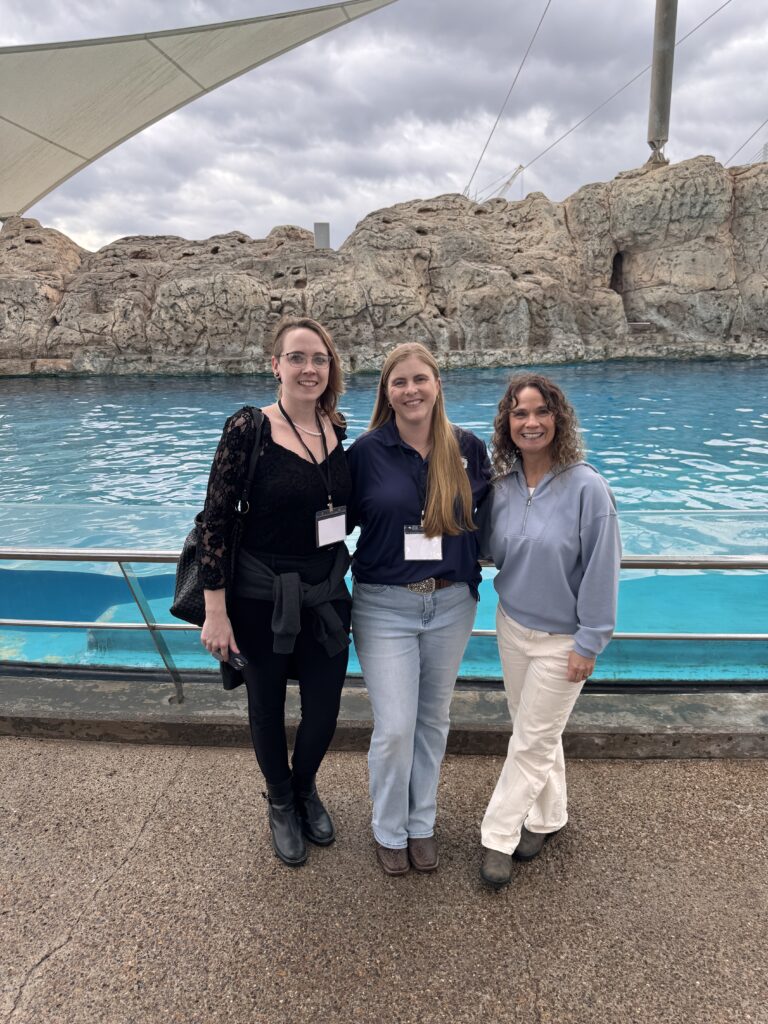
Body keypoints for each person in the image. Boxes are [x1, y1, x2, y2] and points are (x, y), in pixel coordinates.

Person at [198, 315, 352, 868]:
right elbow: (214, 520)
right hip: (261, 593)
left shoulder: (338, 427)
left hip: (326, 592)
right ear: (276, 365)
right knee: (265, 707)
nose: (309, 368)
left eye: (319, 359)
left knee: (326, 709)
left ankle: (306, 785)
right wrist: (216, 613)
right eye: (297, 357)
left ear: (330, 367)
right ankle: (281, 800)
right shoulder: (249, 429)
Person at [347, 342, 491, 876]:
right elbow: (332, 520)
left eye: (420, 379)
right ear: (387, 392)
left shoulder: (468, 449)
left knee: (434, 720)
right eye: (399, 382)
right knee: (395, 726)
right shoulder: (365, 453)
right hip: (385, 606)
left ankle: (421, 823)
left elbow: (492, 517)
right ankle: (389, 826)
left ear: (437, 385)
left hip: (452, 603)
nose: (411, 390)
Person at [478, 373, 621, 890]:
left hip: (564, 640)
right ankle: (547, 817)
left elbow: (603, 568)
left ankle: (498, 835)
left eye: (541, 412)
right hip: (512, 626)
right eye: (519, 413)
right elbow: (487, 550)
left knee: (532, 739)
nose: (531, 422)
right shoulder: (501, 487)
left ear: (558, 419)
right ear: (507, 424)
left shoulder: (588, 486)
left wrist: (591, 640)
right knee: (534, 731)